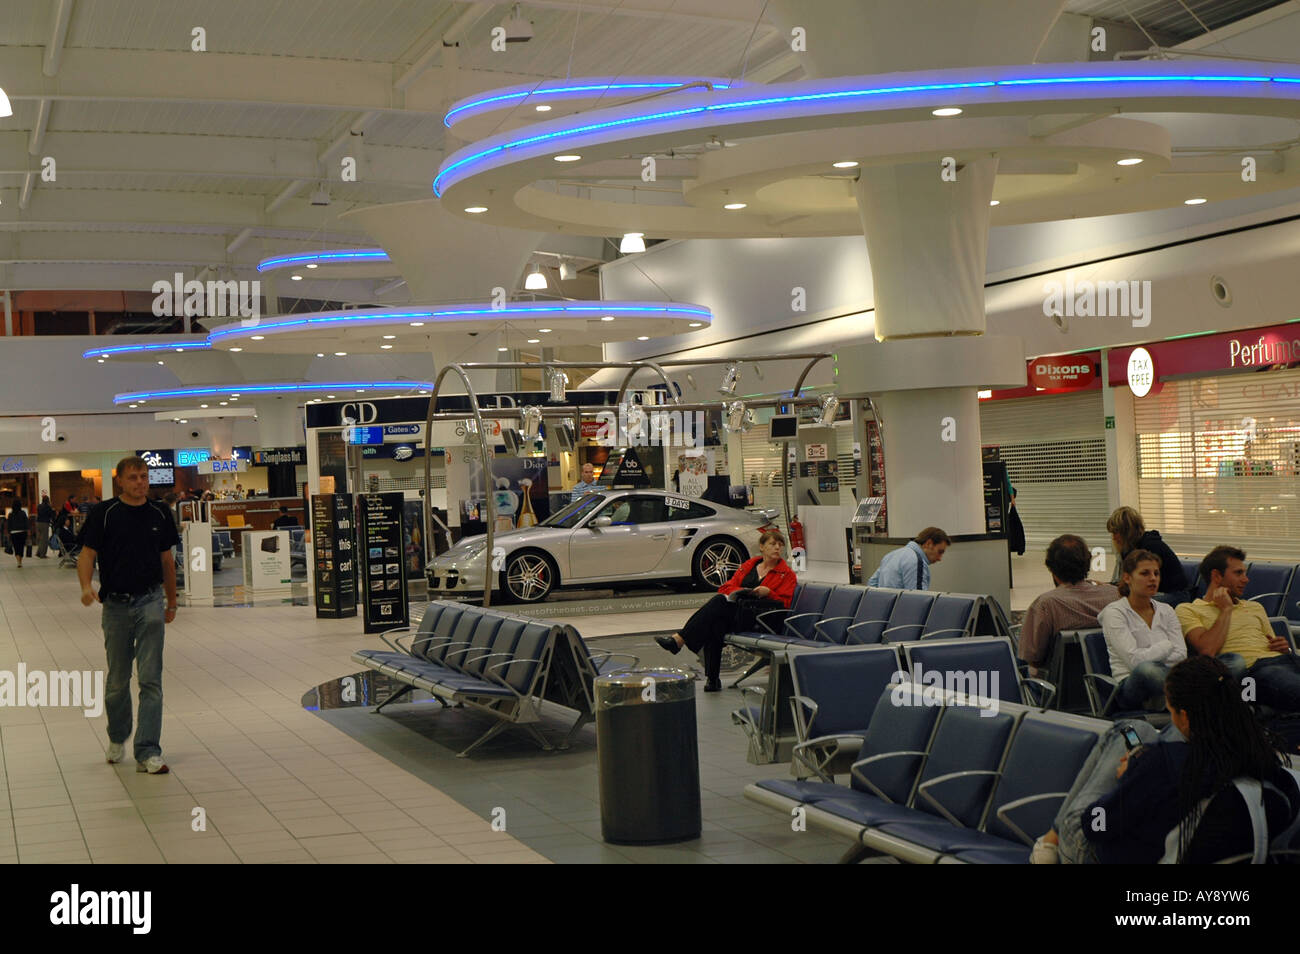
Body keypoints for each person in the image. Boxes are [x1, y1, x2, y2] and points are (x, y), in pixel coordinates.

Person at [1034, 656, 1297, 864]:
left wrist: (1132, 776)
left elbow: (1096, 827)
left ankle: (1051, 839)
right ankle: (1138, 753)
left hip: (1115, 854)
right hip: (1203, 846)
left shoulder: (1166, 767)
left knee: (1126, 729)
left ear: (1184, 715)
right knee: (1144, 734)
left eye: (1171, 711)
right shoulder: (1268, 764)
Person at [78, 456, 181, 775]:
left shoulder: (160, 513)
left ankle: (148, 750)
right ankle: (117, 736)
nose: (140, 482)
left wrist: (172, 601)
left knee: (151, 679)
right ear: (119, 480)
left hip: (150, 600)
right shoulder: (104, 513)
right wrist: (85, 586)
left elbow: (167, 561)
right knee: (118, 680)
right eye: (134, 477)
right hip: (117, 606)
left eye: (144, 476)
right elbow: (87, 555)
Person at [655, 530, 798, 692]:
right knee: (716, 623)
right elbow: (725, 587)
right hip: (740, 613)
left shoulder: (787, 575)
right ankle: (713, 679)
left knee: (717, 606)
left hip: (763, 619)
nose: (777, 548)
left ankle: (679, 640)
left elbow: (785, 603)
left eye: (780, 545)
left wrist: (769, 593)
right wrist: (743, 590)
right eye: (773, 544)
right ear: (762, 547)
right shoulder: (749, 566)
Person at [1176, 545, 1300, 712]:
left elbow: (1273, 645)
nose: (1246, 579)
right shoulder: (1188, 610)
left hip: (1287, 662)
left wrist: (1285, 647)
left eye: (1244, 573)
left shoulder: (1255, 607)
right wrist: (1225, 610)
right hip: (1253, 673)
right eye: (1238, 573)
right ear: (1216, 576)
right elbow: (1207, 650)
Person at [1098, 549, 1187, 712]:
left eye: (1156, 573)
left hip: (1167, 678)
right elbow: (1135, 661)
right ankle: (1195, 698)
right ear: (1127, 578)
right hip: (1130, 687)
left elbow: (1181, 655)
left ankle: (1173, 698)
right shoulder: (1115, 613)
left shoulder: (1166, 610)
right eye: (1145, 573)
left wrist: (1152, 656)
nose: (1153, 578)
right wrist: (1166, 646)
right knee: (1147, 670)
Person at [1019, 534, 1119, 676]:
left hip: (1060, 688)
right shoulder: (1115, 596)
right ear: (1088, 563)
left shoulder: (1046, 605)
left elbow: (1033, 657)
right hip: (1110, 684)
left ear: (1052, 569)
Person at [1106, 506, 1188, 601]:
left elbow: (1140, 583)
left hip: (1174, 595)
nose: (1114, 538)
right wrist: (1106, 586)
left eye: (1116, 532)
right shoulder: (1129, 549)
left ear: (1127, 532)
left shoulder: (1150, 548)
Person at [866, 527, 950, 590]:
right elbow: (918, 600)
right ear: (928, 543)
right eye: (940, 552)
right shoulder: (916, 561)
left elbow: (871, 585)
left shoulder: (891, 555)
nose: (940, 558)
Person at [7, 499, 29, 568]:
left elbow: (9, 524)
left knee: (16, 547)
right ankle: (20, 561)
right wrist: (27, 530)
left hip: (13, 533)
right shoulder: (23, 513)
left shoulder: (10, 514)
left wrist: (9, 532)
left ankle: (18, 562)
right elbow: (26, 522)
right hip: (22, 532)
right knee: (21, 547)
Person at [35, 493, 54, 558]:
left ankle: (38, 552)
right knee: (44, 539)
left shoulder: (39, 506)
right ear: (48, 500)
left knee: (41, 539)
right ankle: (42, 554)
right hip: (44, 523)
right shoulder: (48, 507)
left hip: (38, 523)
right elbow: (50, 515)